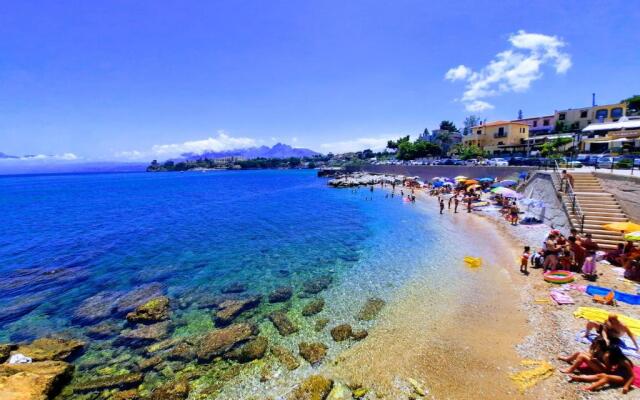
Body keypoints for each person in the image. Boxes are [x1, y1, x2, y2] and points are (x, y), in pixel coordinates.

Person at [568, 346, 635, 394]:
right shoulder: (615, 359)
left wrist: (626, 386)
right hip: (618, 374)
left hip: (624, 378)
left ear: (614, 354)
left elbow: (632, 376)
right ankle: (579, 378)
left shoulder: (625, 362)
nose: (608, 353)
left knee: (606, 377)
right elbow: (608, 368)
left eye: (609, 352)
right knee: (600, 375)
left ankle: (591, 388)